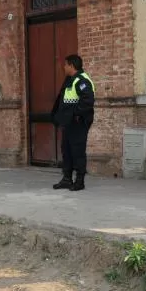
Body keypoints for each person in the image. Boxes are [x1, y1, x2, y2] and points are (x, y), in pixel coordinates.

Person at [51, 54, 95, 191]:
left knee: (78, 151)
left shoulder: (82, 80)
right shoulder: (70, 79)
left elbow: (88, 101)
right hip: (68, 123)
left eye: (65, 65)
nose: (64, 67)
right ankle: (67, 179)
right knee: (67, 151)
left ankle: (79, 182)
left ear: (71, 65)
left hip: (78, 123)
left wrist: (75, 114)